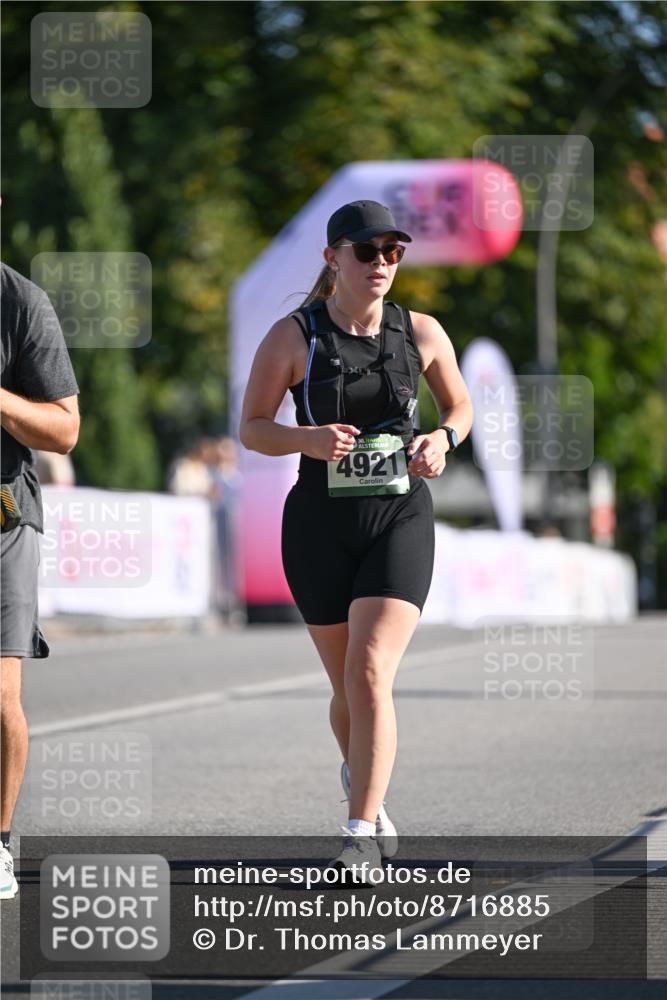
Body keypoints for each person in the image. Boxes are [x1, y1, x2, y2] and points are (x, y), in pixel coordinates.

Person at [239, 200, 473, 883]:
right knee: (347, 683)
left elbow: (458, 407)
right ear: (332, 258)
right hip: (317, 518)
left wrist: (442, 438)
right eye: (366, 251)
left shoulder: (420, 332)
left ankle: (359, 831)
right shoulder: (293, 337)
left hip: (398, 515)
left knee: (370, 671)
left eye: (393, 252)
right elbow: (253, 427)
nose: (381, 264)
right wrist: (304, 438)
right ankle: (367, 788)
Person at [0, 262, 80, 900]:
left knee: (0, 696)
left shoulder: (21, 302)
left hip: (2, 519)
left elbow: (65, 429)